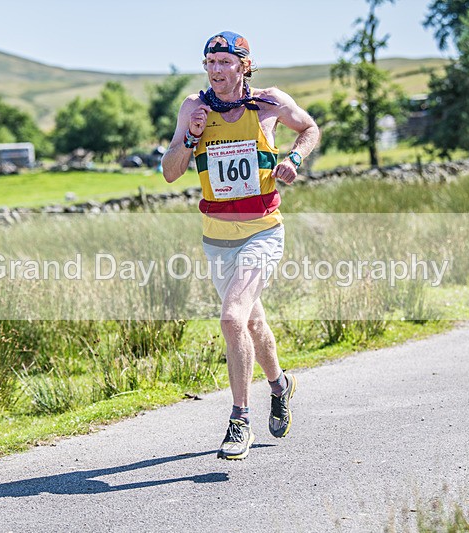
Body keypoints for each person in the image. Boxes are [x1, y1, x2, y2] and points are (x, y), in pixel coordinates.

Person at [162, 31, 320, 460]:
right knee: (251, 324)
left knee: (231, 317)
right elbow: (171, 171)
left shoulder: (268, 103)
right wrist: (191, 137)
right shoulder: (193, 108)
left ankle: (239, 420)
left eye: (225, 63)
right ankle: (280, 384)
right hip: (216, 237)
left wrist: (294, 159)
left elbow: (309, 128)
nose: (216, 71)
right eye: (210, 63)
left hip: (262, 230)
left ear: (244, 65)